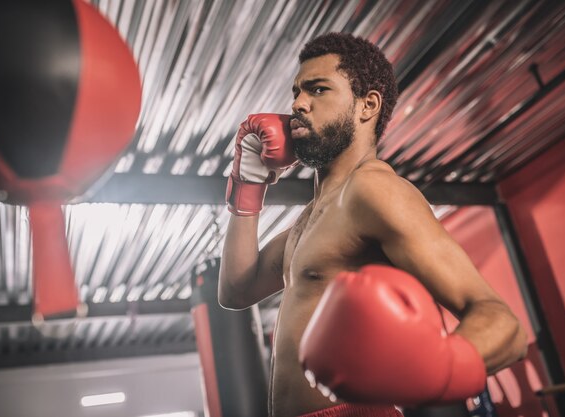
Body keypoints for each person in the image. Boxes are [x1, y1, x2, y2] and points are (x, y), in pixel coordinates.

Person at [218, 32, 527, 417]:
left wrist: (430, 373)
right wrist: (248, 181)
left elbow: (502, 324)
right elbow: (236, 290)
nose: (298, 104)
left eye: (317, 90)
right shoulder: (314, 215)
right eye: (296, 92)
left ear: (367, 106)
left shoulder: (372, 190)